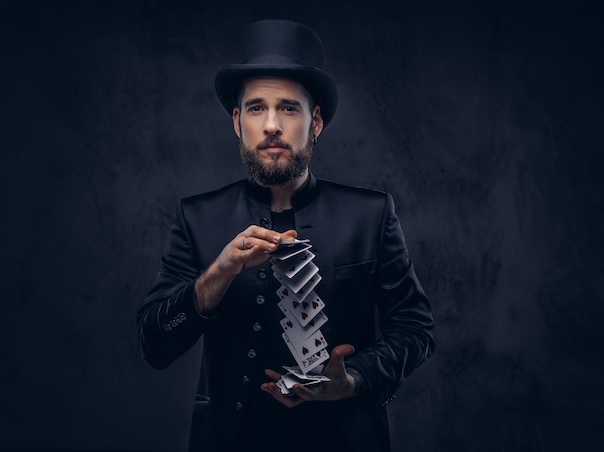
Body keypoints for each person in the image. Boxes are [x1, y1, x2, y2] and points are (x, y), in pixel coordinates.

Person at [137, 19, 434, 452]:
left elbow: (415, 329)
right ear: (237, 122)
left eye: (289, 108)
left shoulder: (371, 214)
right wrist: (214, 278)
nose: (272, 125)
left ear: (316, 122)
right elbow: (154, 345)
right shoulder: (196, 217)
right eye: (257, 108)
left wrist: (353, 380)